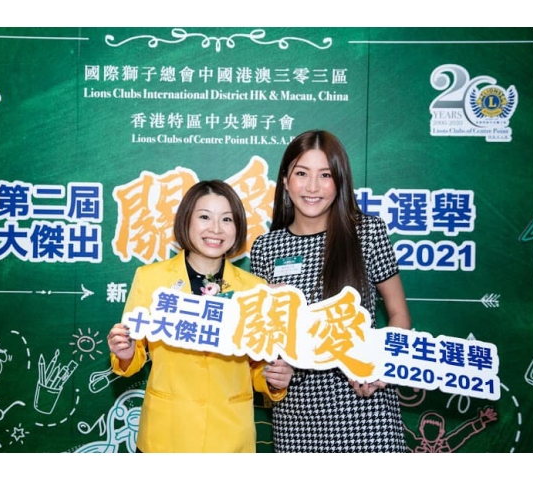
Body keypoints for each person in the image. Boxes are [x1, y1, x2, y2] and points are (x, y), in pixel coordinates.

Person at [250, 130, 412, 453]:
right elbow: (264, 339)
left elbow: (399, 315)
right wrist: (274, 371)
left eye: (325, 175)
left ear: (340, 181)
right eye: (301, 174)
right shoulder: (266, 248)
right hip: (296, 416)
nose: (312, 187)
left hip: (365, 410)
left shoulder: (367, 232)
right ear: (285, 181)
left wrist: (380, 365)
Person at [107, 179, 293, 453]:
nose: (216, 229)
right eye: (205, 217)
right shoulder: (150, 278)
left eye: (226, 219)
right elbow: (133, 357)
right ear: (186, 220)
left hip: (231, 438)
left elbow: (258, 363)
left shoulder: (255, 289)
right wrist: (125, 352)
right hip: (165, 435)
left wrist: (274, 378)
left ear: (238, 227)